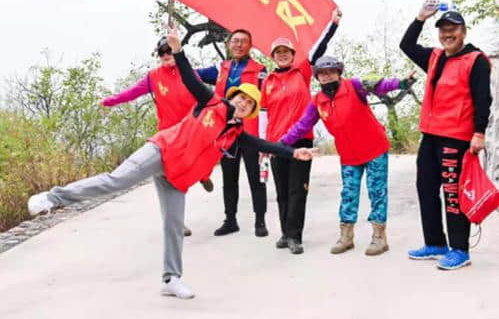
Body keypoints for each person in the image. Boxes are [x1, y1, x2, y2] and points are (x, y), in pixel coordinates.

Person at [27, 26, 315, 300]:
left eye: (249, 104)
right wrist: (177, 52)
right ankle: (53, 197)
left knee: (174, 224)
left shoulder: (235, 133)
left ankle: (170, 279)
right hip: (162, 151)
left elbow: (263, 144)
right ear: (233, 96)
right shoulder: (211, 102)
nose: (243, 104)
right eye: (241, 98)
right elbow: (190, 78)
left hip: (178, 175)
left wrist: (294, 153)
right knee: (115, 181)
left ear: (252, 110)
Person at [281, 56, 415, 256]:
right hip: (349, 155)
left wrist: (401, 83)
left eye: (331, 72)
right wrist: (280, 144)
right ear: (317, 77)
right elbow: (302, 126)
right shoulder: (318, 101)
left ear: (338, 72)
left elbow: (380, 85)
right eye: (322, 74)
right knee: (348, 194)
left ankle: (379, 237)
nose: (326, 76)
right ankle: (346, 236)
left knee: (377, 192)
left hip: (374, 149)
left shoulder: (355, 86)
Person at [400, 0, 492, 270]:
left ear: (463, 31)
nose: (447, 34)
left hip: (457, 137)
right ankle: (435, 243)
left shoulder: (476, 60)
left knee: (452, 194)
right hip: (430, 136)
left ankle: (460, 249)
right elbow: (406, 46)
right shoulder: (435, 57)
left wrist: (479, 133)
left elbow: (483, 99)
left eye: (453, 29)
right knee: (426, 189)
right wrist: (420, 18)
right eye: (443, 30)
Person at [101, 37, 213, 237]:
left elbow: (207, 98)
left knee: (200, 160)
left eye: (170, 50)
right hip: (167, 137)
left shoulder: (189, 74)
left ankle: (203, 175)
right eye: (162, 52)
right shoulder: (153, 77)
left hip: (191, 131)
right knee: (171, 180)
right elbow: (131, 93)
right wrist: (109, 102)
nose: (166, 55)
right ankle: (177, 223)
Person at [260, 8, 342, 254]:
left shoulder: (303, 71)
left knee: (298, 189)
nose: (282, 55)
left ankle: (295, 236)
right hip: (276, 144)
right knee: (282, 191)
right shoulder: (268, 82)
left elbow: (319, 46)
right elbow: (263, 114)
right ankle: (285, 232)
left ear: (292, 55)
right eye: (278, 53)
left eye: (286, 52)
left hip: (301, 141)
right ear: (274, 56)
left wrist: (333, 24)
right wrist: (264, 147)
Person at [198, 30, 270, 237]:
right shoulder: (221, 69)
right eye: (235, 41)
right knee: (229, 178)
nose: (238, 45)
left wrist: (266, 134)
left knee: (256, 179)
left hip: (250, 132)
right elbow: (195, 75)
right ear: (229, 44)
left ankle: (260, 221)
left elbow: (265, 102)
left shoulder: (260, 70)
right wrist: (174, 59)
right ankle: (230, 220)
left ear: (250, 45)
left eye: (243, 42)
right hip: (226, 131)